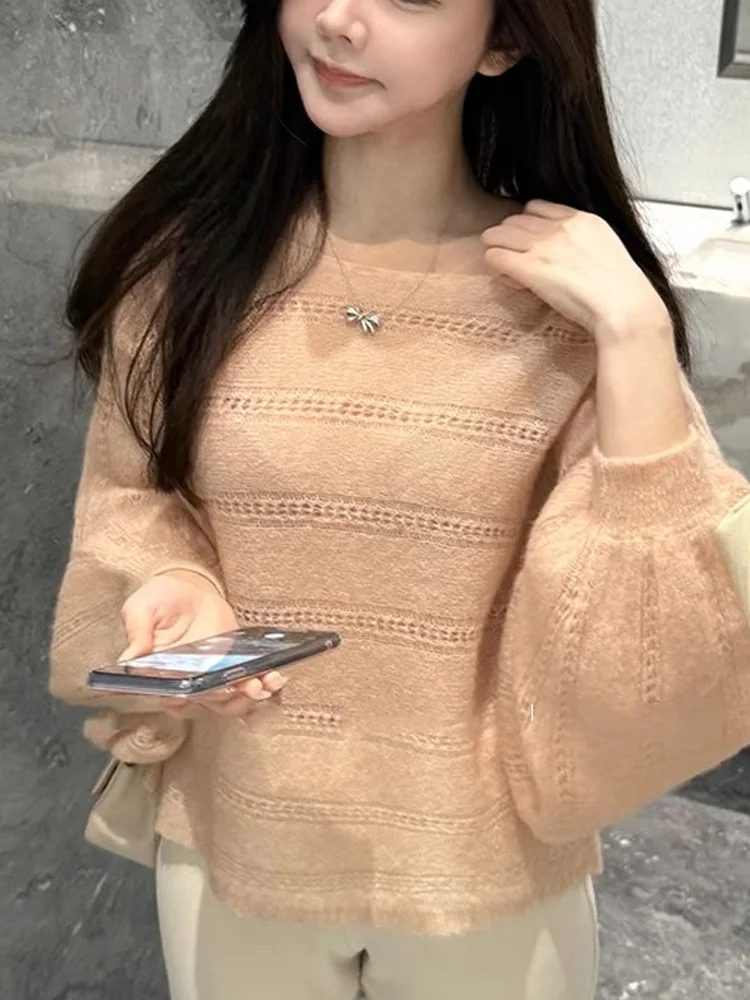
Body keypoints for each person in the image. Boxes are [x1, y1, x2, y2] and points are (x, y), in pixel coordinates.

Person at [49, 1, 750, 998]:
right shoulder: (190, 267)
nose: (340, 18)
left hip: (487, 878)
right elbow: (129, 496)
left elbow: (656, 636)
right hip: (239, 843)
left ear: (506, 39)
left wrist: (634, 333)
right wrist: (174, 578)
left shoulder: (571, 298)